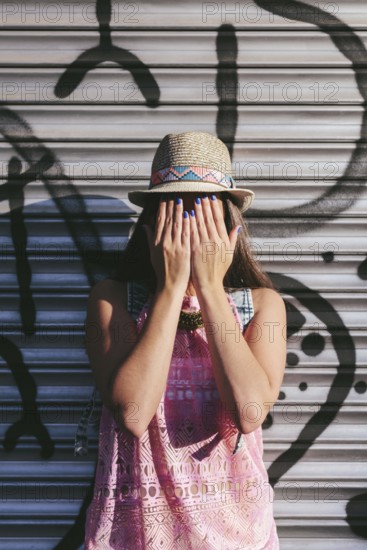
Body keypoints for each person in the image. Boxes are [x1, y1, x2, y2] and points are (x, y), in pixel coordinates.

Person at [83, 131, 287, 549]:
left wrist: (211, 290)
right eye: (178, 216)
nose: (192, 233)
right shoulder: (114, 299)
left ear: (231, 233)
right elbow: (133, 413)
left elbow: (249, 412)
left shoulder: (260, 305)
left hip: (237, 534)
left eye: (206, 218)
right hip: (138, 535)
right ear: (152, 227)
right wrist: (171, 287)